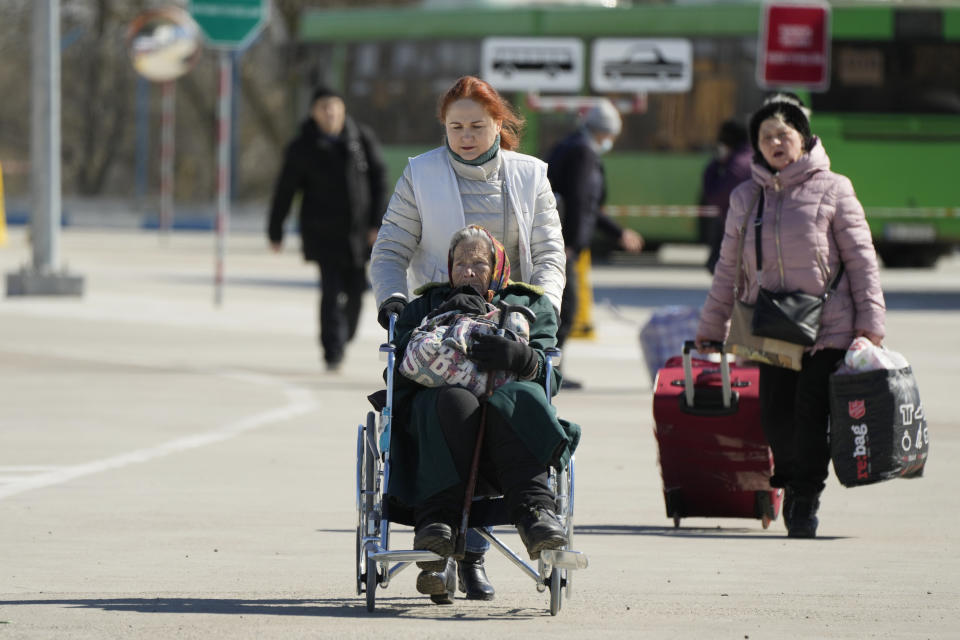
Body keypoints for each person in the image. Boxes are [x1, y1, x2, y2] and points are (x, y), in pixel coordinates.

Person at [370, 75, 566, 599]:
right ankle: (444, 534)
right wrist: (393, 300)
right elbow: (390, 249)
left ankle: (493, 543)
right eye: (455, 126)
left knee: (510, 399)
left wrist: (539, 315)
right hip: (440, 314)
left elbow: (549, 255)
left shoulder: (530, 176)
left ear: (498, 123)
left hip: (512, 309)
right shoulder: (421, 174)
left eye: (477, 126)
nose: (465, 135)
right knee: (451, 405)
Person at [695, 93, 885, 538]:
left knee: (808, 413)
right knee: (776, 416)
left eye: (784, 133)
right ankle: (792, 479)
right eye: (766, 136)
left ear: (803, 138)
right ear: (757, 146)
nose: (776, 142)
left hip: (829, 326)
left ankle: (804, 498)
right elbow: (728, 268)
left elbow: (861, 260)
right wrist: (711, 328)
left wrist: (870, 325)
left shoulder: (835, 188)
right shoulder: (746, 196)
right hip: (772, 327)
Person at [387, 225, 580, 604]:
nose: (468, 271)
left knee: (518, 397)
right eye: (460, 263)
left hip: (504, 441)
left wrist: (522, 358)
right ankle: (437, 522)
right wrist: (442, 318)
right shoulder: (425, 305)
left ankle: (536, 512)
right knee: (453, 400)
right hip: (441, 425)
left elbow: (549, 376)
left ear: (498, 267)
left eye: (479, 262)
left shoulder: (528, 304)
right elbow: (396, 373)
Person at [267, 85, 388, 371]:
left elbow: (379, 182)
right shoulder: (302, 147)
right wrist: (275, 230)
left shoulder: (361, 139)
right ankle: (332, 350)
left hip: (358, 233)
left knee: (357, 292)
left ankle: (343, 337)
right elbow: (284, 191)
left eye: (335, 105)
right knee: (330, 291)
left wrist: (376, 224)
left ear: (343, 109)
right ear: (313, 112)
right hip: (322, 233)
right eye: (323, 107)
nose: (330, 112)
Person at [545, 99, 643, 387]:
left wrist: (618, 233)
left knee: (561, 309)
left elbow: (586, 205)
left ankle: (550, 372)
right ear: (603, 131)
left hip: (558, 241)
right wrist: (571, 243)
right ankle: (548, 373)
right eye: (611, 135)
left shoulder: (569, 146)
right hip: (564, 245)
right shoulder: (583, 153)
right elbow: (579, 201)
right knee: (566, 309)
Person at [700, 119, 752, 274]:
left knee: (721, 271)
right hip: (750, 232)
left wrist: (715, 164)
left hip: (737, 232)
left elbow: (716, 196)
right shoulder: (755, 159)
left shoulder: (737, 166)